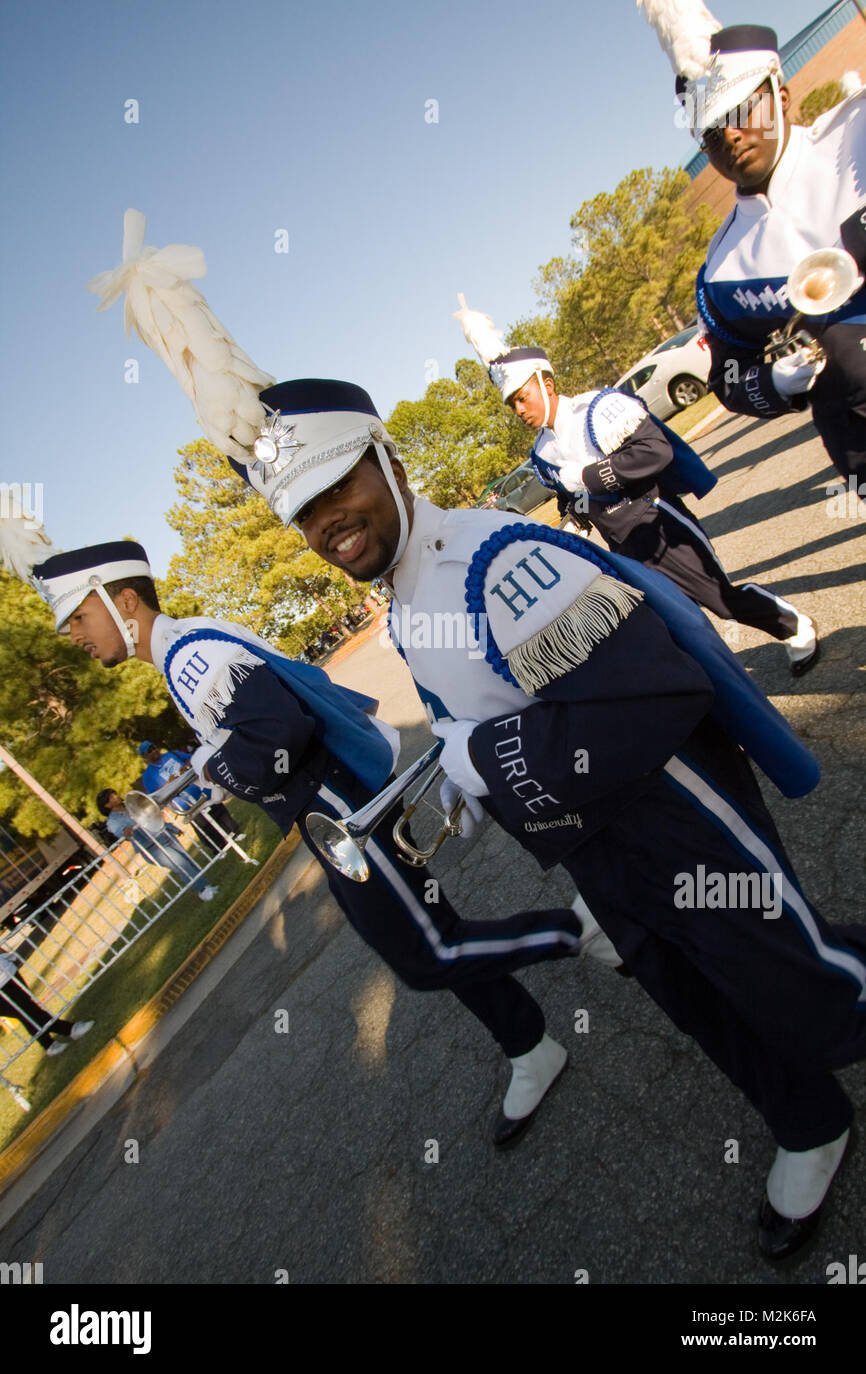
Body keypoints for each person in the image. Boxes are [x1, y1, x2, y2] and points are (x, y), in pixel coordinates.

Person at [241, 374, 866, 1261]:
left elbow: (654, 697)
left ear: (389, 459)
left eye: (337, 485)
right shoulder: (410, 593)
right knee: (691, 995)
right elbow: (477, 707)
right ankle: (808, 1121)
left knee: (794, 977)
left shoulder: (493, 558)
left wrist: (479, 760)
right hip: (593, 843)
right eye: (302, 512)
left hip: (670, 813)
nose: (324, 523)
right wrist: (464, 772)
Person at [25, 539, 624, 1148]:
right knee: (431, 933)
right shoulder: (185, 648)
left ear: (123, 598)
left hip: (338, 807)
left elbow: (279, 740)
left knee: (429, 954)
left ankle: (577, 931)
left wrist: (217, 769)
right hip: (329, 809)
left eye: (79, 615)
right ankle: (529, 1047)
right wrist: (221, 763)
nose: (73, 633)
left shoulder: (188, 657)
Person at [453, 300, 819, 676]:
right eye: (512, 404)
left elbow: (653, 451)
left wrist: (590, 477)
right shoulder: (541, 451)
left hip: (660, 523)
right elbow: (572, 499)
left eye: (521, 397)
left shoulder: (599, 407)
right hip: (623, 546)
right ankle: (714, 685)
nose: (519, 410)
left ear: (546, 383)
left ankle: (794, 627)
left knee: (721, 599)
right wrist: (572, 521)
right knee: (668, 625)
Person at [624, 0, 866, 488]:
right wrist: (775, 384)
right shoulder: (721, 270)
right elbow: (727, 376)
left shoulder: (856, 135)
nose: (731, 135)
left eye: (742, 109)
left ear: (781, 94)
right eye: (711, 131)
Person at [96, 787, 218, 903]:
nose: (115, 797)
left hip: (163, 834)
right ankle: (203, 889)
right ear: (106, 806)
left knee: (186, 859)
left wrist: (171, 828)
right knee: (181, 864)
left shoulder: (131, 804)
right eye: (110, 798)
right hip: (152, 847)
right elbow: (120, 831)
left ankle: (205, 885)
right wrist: (126, 831)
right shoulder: (113, 821)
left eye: (114, 794)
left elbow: (152, 815)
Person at [139, 741, 243, 851]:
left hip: (201, 789)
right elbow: (156, 796)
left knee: (219, 811)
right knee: (204, 825)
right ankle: (219, 847)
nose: (154, 751)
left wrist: (186, 766)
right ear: (144, 756)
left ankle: (235, 832)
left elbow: (191, 759)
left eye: (154, 747)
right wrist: (169, 783)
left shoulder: (171, 754)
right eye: (149, 750)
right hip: (185, 803)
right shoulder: (148, 777)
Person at [0, 953, 94, 1057]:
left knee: (27, 1011)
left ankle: (49, 1044)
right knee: (26, 1011)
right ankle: (69, 1029)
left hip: (6, 971)